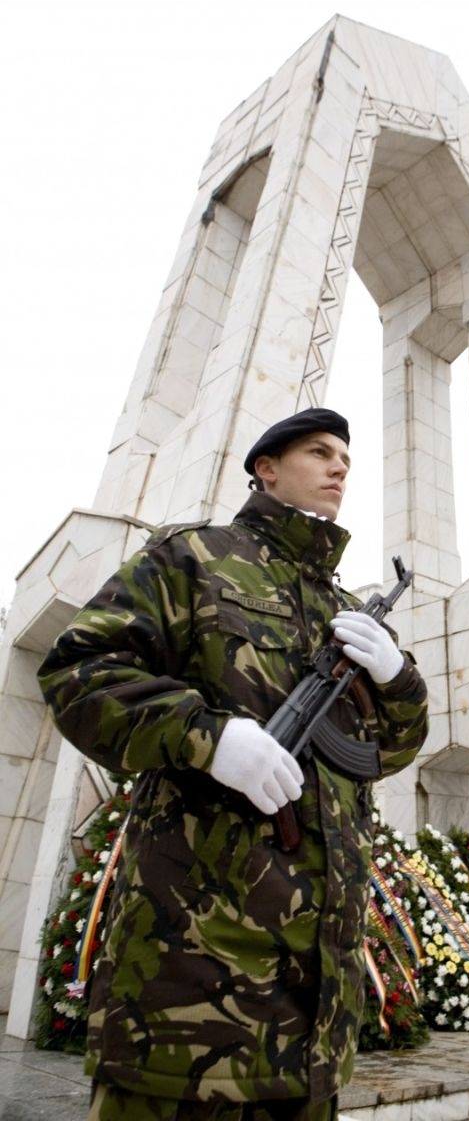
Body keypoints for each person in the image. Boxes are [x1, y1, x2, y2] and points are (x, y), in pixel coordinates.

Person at [38, 407, 428, 1121]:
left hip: (313, 1030)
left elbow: (386, 753)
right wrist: (207, 737)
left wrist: (398, 677)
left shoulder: (345, 611)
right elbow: (79, 672)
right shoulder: (195, 559)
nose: (341, 466)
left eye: (346, 457)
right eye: (320, 452)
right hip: (190, 1005)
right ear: (267, 469)